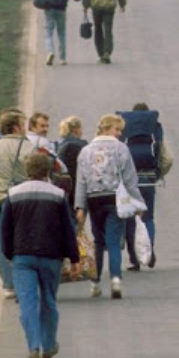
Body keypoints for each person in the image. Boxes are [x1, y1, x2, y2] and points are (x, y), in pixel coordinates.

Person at [1, 153, 80, 358]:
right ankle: (49, 344)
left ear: (26, 171)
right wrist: (74, 258)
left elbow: (5, 229)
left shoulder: (14, 194)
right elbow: (67, 229)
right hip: (51, 256)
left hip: (22, 256)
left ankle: (33, 346)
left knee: (27, 303)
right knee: (48, 300)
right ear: (48, 171)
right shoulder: (57, 195)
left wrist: (9, 254)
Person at [74, 113, 143, 299]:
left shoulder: (86, 151)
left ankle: (95, 282)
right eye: (117, 129)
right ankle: (115, 279)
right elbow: (130, 180)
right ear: (105, 128)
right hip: (115, 199)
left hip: (94, 199)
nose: (119, 133)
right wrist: (139, 203)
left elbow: (81, 181)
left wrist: (80, 207)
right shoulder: (121, 149)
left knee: (98, 241)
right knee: (114, 240)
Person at [121, 103, 173, 271]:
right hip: (148, 177)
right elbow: (167, 159)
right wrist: (158, 174)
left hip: (128, 179)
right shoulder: (154, 129)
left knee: (130, 219)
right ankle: (148, 250)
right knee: (148, 217)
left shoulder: (124, 127)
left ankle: (135, 260)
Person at [0, 111, 39, 300]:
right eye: (23, 124)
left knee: (2, 241)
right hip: (23, 199)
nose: (25, 128)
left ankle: (8, 284)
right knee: (25, 239)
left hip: (0, 198)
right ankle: (26, 279)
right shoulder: (28, 147)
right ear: (15, 127)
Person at [32, 0, 83, 67]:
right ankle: (63, 59)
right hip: (61, 10)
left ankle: (50, 52)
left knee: (48, 32)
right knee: (61, 33)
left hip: (49, 9)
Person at [54, 116, 86, 212]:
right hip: (77, 186)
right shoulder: (81, 145)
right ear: (76, 130)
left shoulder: (57, 145)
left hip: (61, 184)